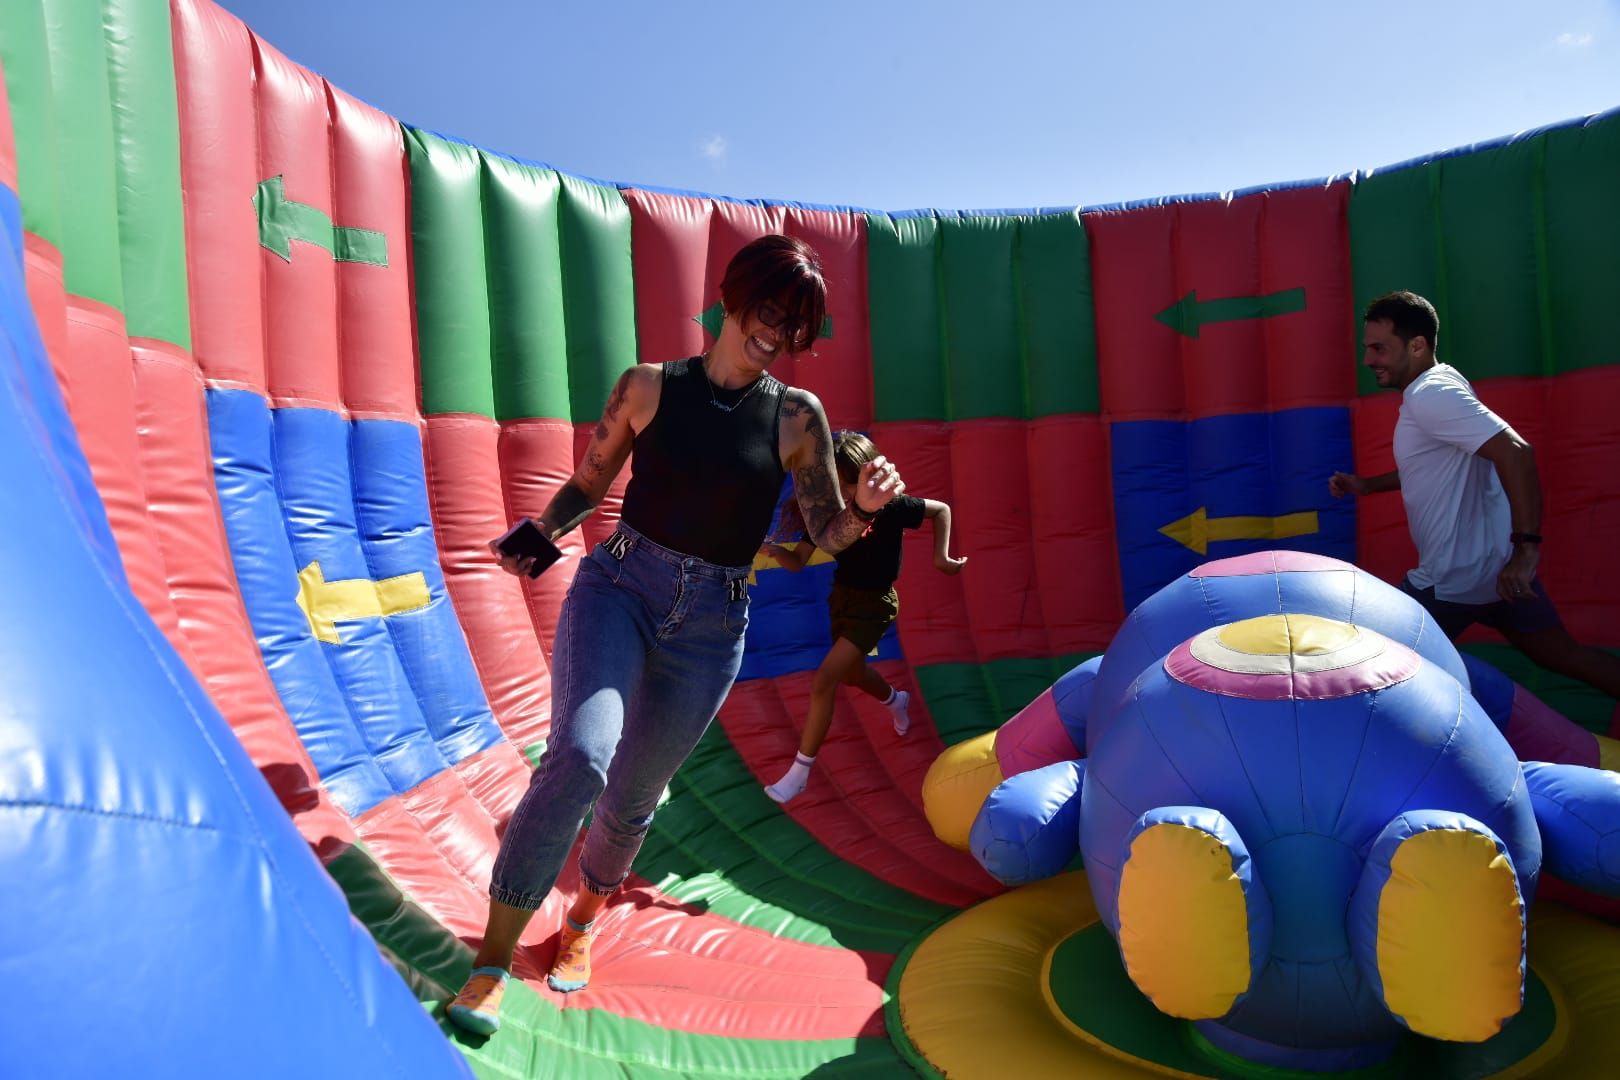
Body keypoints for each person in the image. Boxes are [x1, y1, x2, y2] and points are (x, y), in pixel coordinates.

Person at [446, 235, 906, 1035]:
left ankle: (581, 925)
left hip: (714, 624)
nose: (777, 333)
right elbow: (589, 483)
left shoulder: (798, 417)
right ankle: (491, 958)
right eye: (770, 310)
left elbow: (829, 533)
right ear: (735, 298)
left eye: (795, 326)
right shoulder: (648, 387)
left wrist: (864, 506)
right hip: (621, 587)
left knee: (633, 798)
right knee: (581, 757)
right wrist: (540, 533)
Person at [1329, 290, 1620, 699]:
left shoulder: (1433, 394)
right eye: (1367, 348)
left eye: (1379, 348)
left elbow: (1517, 453)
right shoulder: (1442, 382)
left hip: (1454, 580)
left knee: (1367, 665)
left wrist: (1527, 550)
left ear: (1417, 345)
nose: (1369, 360)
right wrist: (1367, 485)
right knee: (1566, 656)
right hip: (1497, 576)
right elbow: (1434, 465)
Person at [760, 433, 965, 803]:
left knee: (824, 681)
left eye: (850, 482)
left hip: (875, 605)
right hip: (843, 599)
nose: (844, 492)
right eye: (836, 483)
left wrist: (941, 557)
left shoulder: (890, 506)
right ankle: (895, 700)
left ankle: (801, 771)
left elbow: (941, 510)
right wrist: (776, 552)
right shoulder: (825, 512)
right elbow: (798, 562)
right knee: (853, 674)